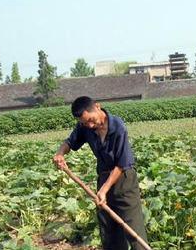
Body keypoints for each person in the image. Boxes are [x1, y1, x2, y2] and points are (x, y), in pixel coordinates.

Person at [53, 96, 148, 250]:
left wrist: (104, 189)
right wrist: (60, 153)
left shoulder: (118, 127)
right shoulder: (85, 126)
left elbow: (122, 164)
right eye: (84, 123)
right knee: (109, 230)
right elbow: (70, 142)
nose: (89, 125)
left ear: (97, 106)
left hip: (124, 180)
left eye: (90, 120)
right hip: (103, 177)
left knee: (133, 229)